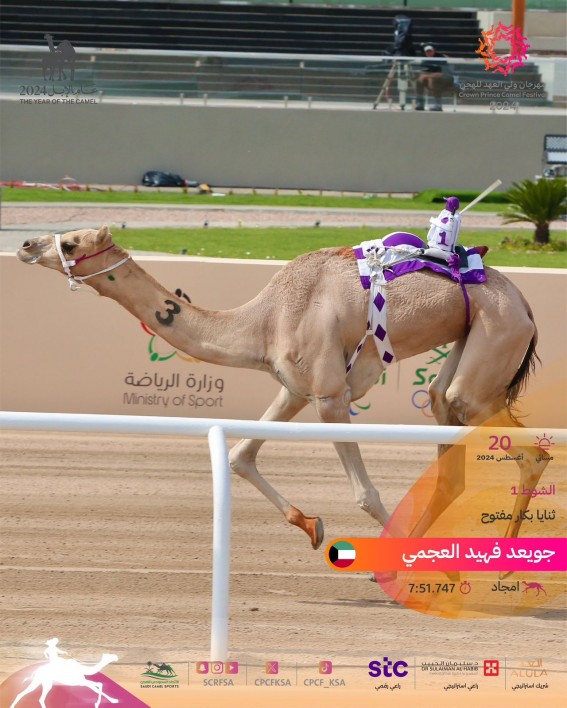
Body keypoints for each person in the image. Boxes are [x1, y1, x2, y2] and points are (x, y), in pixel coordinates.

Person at [414, 44, 454, 111]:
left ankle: (438, 104)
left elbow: (443, 73)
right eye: (427, 52)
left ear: (434, 51)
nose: (429, 53)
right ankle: (420, 103)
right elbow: (422, 73)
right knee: (419, 81)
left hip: (445, 80)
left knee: (433, 80)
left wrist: (429, 76)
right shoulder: (425, 60)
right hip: (429, 80)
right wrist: (425, 76)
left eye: (430, 51)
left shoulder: (440, 58)